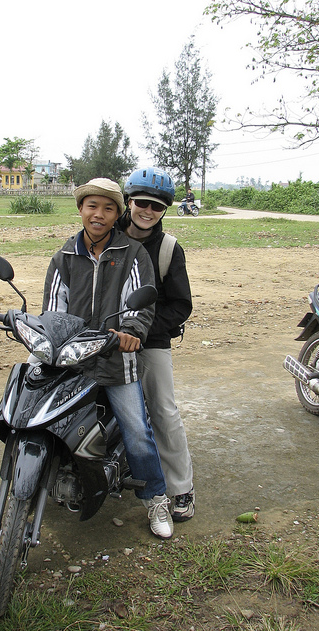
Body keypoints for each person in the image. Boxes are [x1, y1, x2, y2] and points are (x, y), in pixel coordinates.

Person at [43, 177, 174, 539]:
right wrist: (51, 338)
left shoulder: (133, 254)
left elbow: (140, 306)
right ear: (80, 209)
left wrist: (130, 332)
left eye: (108, 208)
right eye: (92, 206)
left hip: (117, 361)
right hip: (72, 362)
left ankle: (155, 498)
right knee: (41, 418)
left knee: (137, 431)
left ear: (118, 214)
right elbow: (53, 311)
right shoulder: (64, 258)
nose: (98, 214)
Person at [120, 167, 195, 522]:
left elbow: (181, 305)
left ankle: (181, 488)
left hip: (151, 340)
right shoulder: (107, 236)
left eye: (158, 206)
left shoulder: (168, 249)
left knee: (163, 410)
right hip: (105, 335)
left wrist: (142, 331)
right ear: (129, 202)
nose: (148, 211)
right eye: (142, 203)